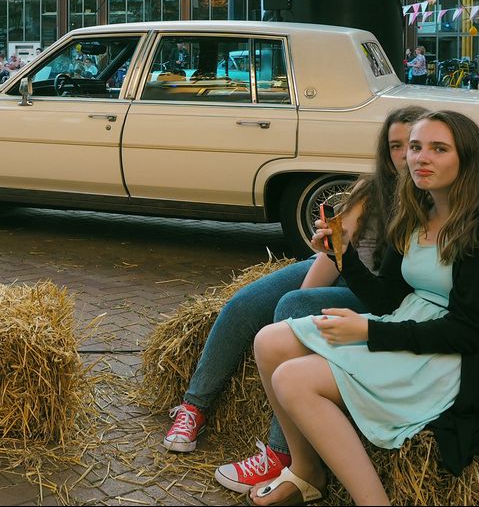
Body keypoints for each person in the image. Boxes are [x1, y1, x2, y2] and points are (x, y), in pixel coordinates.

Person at [244, 110, 479, 506]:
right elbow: (388, 299)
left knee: (293, 379)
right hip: (408, 326)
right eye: (415, 147)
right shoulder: (418, 213)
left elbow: (469, 331)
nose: (420, 158)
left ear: (467, 159)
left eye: (438, 149)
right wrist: (342, 256)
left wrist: (368, 333)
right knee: (269, 342)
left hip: (454, 359)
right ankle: (307, 471)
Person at [181, 107, 428, 494]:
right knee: (245, 302)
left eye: (411, 145)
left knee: (291, 310)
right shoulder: (372, 189)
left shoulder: (425, 202)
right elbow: (337, 257)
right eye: (395, 145)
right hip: (345, 268)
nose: (404, 155)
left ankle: (282, 454)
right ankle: (194, 406)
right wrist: (323, 261)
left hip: (376, 294)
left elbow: (386, 293)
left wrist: (302, 300)